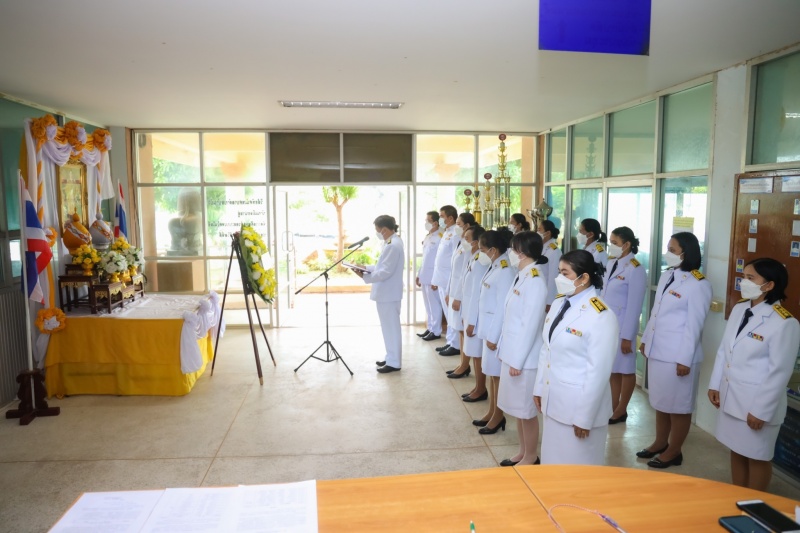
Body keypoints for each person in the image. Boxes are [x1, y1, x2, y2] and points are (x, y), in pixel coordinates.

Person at [708, 258, 800, 491]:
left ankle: (753, 504)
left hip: (755, 405)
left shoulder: (784, 322)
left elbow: (779, 372)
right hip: (732, 397)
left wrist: (761, 410)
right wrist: (715, 384)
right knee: (737, 450)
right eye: (743, 277)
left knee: (757, 456)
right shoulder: (740, 308)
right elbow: (724, 350)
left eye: (751, 278)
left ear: (769, 285)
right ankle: (737, 497)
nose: (743, 282)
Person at [534, 250, 618, 465]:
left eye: (565, 273)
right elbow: (547, 348)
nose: (559, 278)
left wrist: (584, 417)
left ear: (584, 278)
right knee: (552, 464)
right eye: (559, 272)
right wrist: (539, 388)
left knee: (579, 471)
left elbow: (598, 372)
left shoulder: (601, 315)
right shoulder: (559, 303)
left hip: (578, 409)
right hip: (554, 401)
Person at [638, 232, 712, 468]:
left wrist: (685, 359)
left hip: (679, 356)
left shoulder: (698, 284)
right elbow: (656, 312)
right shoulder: (667, 275)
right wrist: (646, 339)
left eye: (672, 249)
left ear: (686, 253)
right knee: (661, 403)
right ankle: (660, 442)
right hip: (659, 351)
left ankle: (674, 451)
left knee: (679, 407)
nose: (667, 253)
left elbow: (694, 325)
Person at [497, 231, 548, 466]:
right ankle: (522, 451)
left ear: (523, 252)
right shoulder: (522, 275)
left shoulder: (535, 281)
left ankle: (531, 456)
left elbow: (530, 325)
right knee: (518, 410)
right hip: (513, 353)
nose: (510, 253)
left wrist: (517, 361)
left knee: (526, 412)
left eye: (513, 249)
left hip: (525, 360)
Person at [603, 226, 647, 424]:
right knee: (613, 369)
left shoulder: (635, 269)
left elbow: (635, 305)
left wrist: (628, 336)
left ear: (627, 244)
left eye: (615, 243)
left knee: (627, 369)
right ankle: (613, 407)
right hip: (609, 326)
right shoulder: (612, 262)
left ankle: (622, 409)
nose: (611, 246)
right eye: (611, 242)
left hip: (623, 327)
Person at [474, 228, 516, 434]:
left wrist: (493, 336)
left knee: (497, 376)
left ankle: (498, 417)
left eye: (482, 249)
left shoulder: (506, 270)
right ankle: (492, 411)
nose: (480, 253)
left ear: (493, 249)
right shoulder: (496, 265)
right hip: (488, 328)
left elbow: (502, 307)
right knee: (491, 373)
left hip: (495, 332)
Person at [352, 215, 405, 374]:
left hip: (388, 293)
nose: (377, 233)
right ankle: (391, 357)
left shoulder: (393, 245)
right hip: (387, 293)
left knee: (391, 328)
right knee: (388, 328)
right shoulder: (391, 242)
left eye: (377, 230)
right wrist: (365, 268)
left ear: (385, 229)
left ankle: (394, 362)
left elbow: (385, 272)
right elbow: (382, 266)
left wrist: (365, 276)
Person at [460, 226, 490, 399]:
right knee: (474, 352)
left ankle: (481, 389)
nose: (464, 240)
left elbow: (476, 294)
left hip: (475, 315)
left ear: (477, 242)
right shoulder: (474, 257)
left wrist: (471, 320)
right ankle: (478, 386)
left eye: (467, 238)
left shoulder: (480, 261)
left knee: (477, 354)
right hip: (469, 311)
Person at [445, 213, 476, 374]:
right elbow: (454, 272)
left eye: (459, 223)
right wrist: (449, 292)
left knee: (463, 330)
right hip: (455, 291)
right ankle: (462, 363)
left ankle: (465, 365)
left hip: (462, 295)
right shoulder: (461, 242)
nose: (456, 226)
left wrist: (457, 297)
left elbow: (464, 274)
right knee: (459, 329)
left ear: (467, 225)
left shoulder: (469, 247)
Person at [431, 205, 461, 356]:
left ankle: (456, 344)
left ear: (450, 218)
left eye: (442, 216)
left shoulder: (456, 233)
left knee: (451, 314)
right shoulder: (447, 232)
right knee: (447, 312)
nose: (440, 219)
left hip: (449, 278)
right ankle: (450, 341)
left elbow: (456, 259)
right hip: (441, 277)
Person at [416, 211, 443, 340]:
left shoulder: (440, 238)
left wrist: (436, 279)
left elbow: (439, 261)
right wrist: (419, 274)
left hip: (433, 276)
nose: (426, 223)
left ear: (436, 223)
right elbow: (425, 258)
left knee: (434, 305)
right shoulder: (428, 237)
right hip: (425, 275)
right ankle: (430, 327)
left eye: (428, 221)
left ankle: (436, 331)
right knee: (428, 305)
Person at [538, 219, 562, 311]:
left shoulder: (554, 251)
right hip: (539, 291)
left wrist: (550, 301)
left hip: (546, 295)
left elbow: (554, 277)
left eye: (539, 230)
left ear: (547, 233)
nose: (537, 232)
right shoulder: (541, 247)